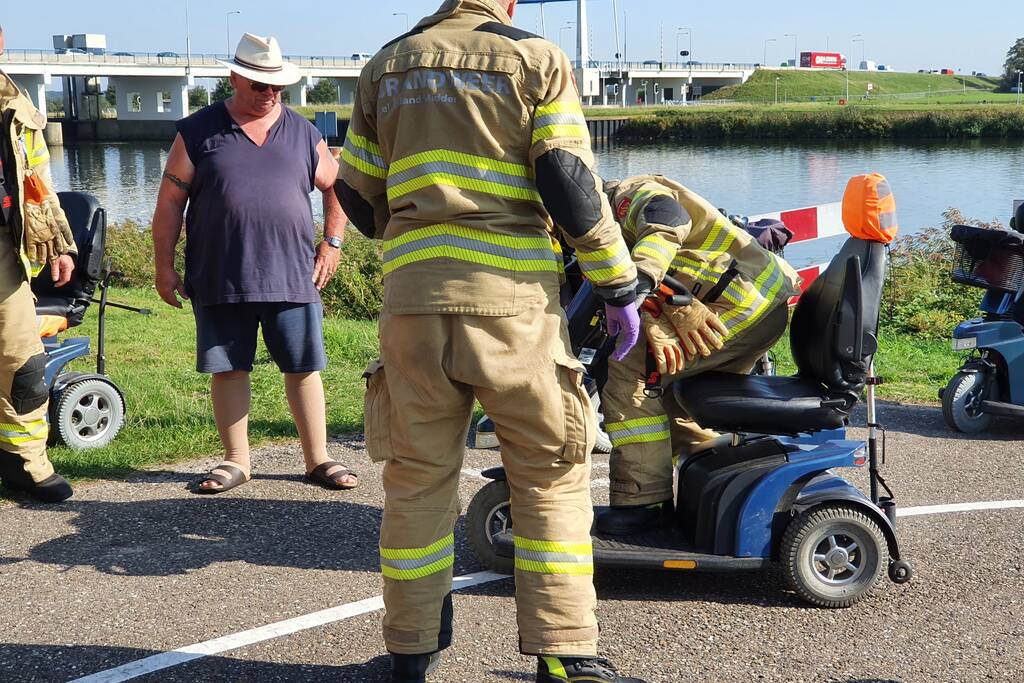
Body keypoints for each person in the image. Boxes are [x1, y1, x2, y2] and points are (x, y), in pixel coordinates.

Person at [335, 2, 647, 682]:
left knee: (416, 481)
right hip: (515, 310)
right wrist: (619, 286)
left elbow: (357, 199)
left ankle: (410, 654)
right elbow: (569, 185)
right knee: (549, 475)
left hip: (414, 308)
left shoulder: (385, 65)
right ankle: (565, 657)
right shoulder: (535, 59)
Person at [152, 33, 358, 494]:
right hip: (220, 272)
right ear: (234, 78)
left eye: (277, 88)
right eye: (259, 86)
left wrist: (332, 243)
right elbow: (169, 203)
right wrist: (164, 267)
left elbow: (336, 186)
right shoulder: (197, 130)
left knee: (304, 366)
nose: (269, 95)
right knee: (229, 367)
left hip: (292, 273)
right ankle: (236, 461)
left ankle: (317, 459)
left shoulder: (304, 132)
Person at [596, 174, 801, 535]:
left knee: (632, 377)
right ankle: (713, 480)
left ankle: (643, 505)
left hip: (742, 303)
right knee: (670, 394)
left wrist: (640, 285)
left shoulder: (624, 197)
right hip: (743, 303)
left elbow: (666, 218)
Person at [0, 23, 78, 503]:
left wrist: (60, 243)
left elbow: (37, 182)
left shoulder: (17, 104)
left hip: (6, 255)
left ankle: (24, 464)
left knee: (22, 363)